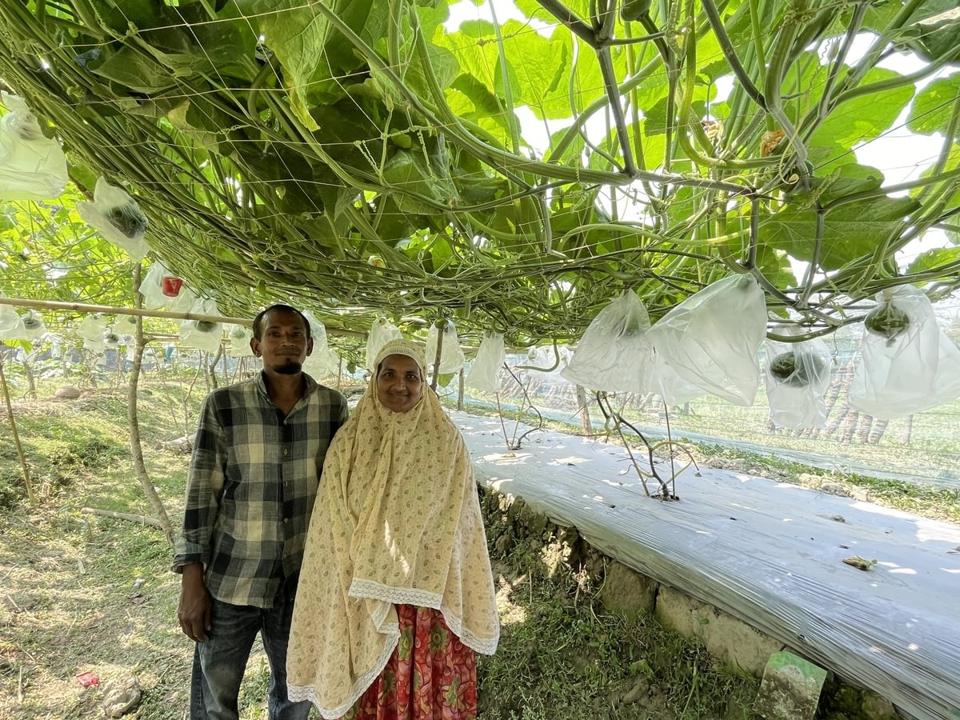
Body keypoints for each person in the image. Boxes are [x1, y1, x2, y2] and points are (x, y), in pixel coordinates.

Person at [286, 339, 499, 719]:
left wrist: (411, 565)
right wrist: (367, 567)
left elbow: (458, 520)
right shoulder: (349, 441)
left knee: (426, 696)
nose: (400, 385)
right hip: (362, 591)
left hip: (427, 595)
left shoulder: (447, 441)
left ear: (424, 383)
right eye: (389, 374)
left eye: (411, 376)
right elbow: (332, 516)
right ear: (374, 379)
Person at [173, 303, 348, 720]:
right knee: (216, 699)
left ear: (309, 346)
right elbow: (201, 493)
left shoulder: (332, 408)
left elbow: (341, 493)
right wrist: (191, 581)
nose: (286, 340)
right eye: (275, 333)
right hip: (233, 577)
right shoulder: (224, 406)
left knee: (296, 692)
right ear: (256, 346)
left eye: (295, 334)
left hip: (303, 578)